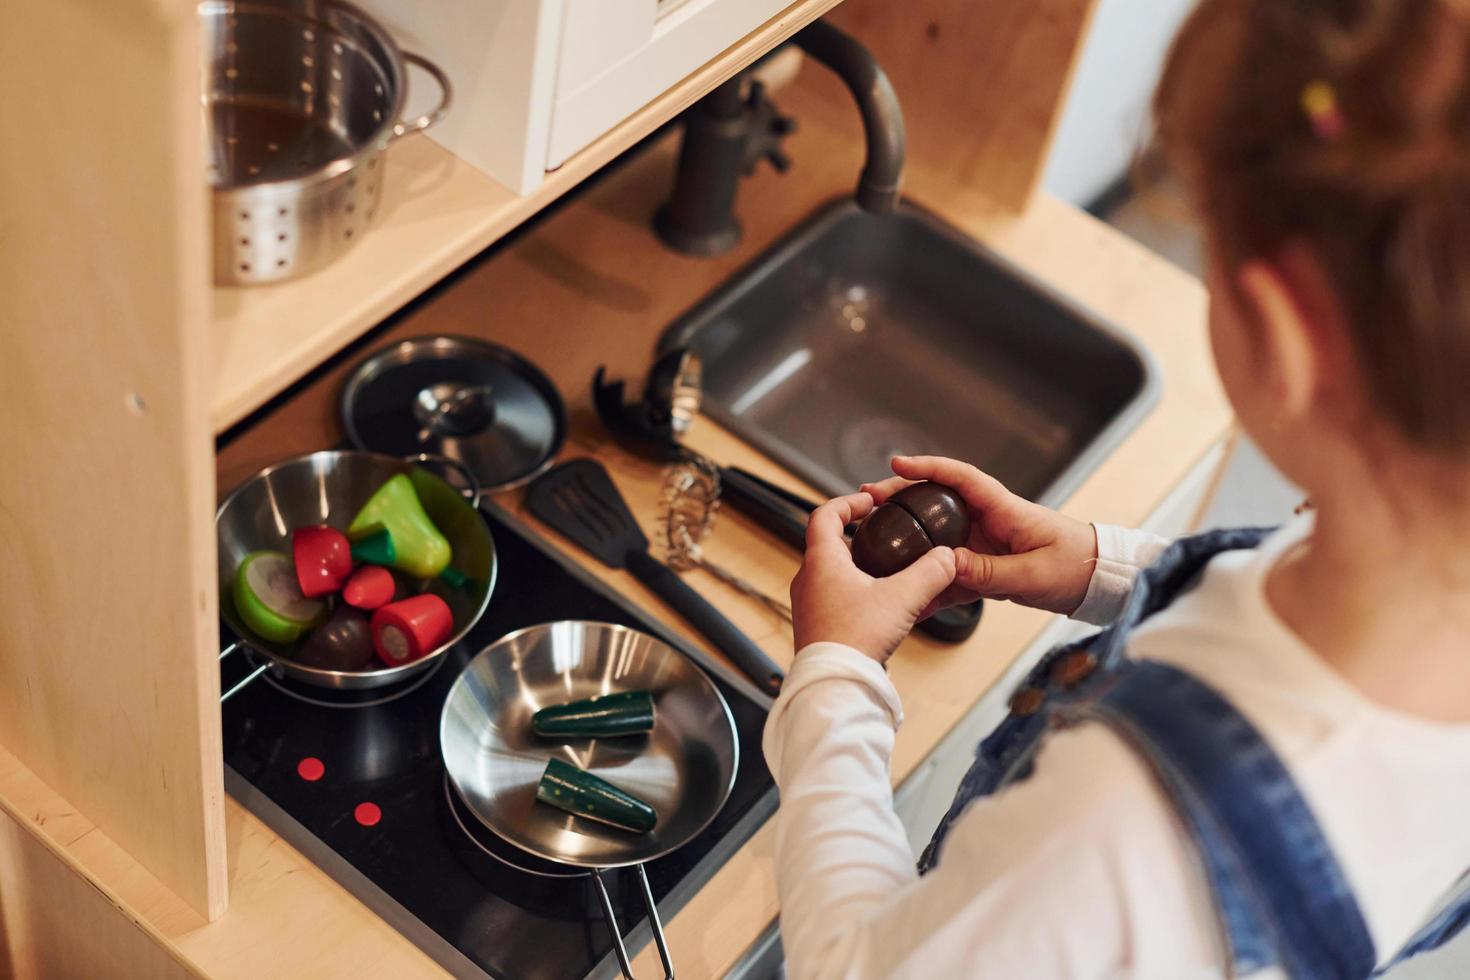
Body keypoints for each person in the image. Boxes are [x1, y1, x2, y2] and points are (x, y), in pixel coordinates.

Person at [764, 1, 1470, 977]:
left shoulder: (1113, 833)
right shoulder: (1416, 573)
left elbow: (853, 965)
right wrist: (1103, 565)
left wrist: (835, 678)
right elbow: (1276, 572)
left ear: (1280, 332)